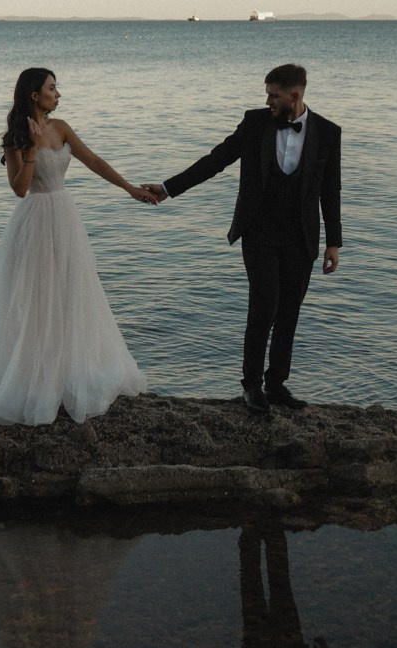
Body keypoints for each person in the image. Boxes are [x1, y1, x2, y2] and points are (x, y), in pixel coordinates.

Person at [139, 63, 343, 415]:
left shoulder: (327, 132)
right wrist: (169, 188)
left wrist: (334, 242)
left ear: (295, 95)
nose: (268, 101)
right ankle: (252, 386)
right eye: (266, 94)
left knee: (290, 311)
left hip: (301, 237)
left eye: (273, 95)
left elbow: (330, 190)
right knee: (264, 307)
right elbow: (215, 160)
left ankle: (277, 384)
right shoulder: (255, 123)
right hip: (259, 232)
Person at [0, 68, 155, 425]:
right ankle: (34, 378)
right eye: (51, 88)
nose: (58, 94)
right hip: (34, 220)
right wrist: (31, 147)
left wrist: (128, 188)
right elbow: (20, 188)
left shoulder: (61, 127)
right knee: (35, 300)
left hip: (65, 218)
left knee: (70, 294)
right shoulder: (15, 138)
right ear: (34, 95)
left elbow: (93, 161)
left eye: (56, 88)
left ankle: (68, 374)